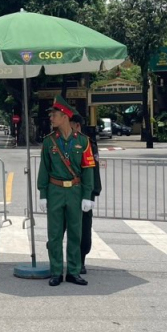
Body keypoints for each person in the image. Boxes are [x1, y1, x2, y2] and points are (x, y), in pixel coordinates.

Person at [37, 95, 95, 286]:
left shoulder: (83, 141)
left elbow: (88, 170)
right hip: (55, 190)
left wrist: (87, 195)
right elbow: (44, 169)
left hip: (75, 191)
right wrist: (43, 194)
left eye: (54, 115)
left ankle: (73, 271)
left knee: (75, 233)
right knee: (54, 234)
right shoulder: (49, 142)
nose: (51, 118)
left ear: (64, 117)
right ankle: (56, 271)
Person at [70, 113, 102, 275]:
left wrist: (92, 193)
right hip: (63, 192)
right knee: (60, 227)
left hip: (83, 192)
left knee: (83, 228)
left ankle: (80, 260)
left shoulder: (88, 143)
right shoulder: (58, 142)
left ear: (77, 125)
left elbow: (93, 169)